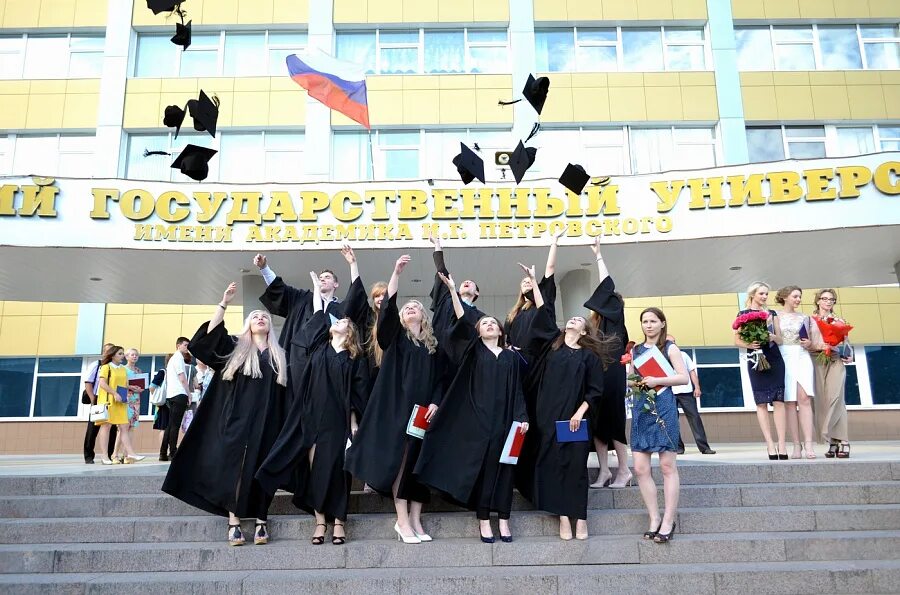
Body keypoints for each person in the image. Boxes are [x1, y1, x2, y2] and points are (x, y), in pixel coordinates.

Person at [162, 282, 289, 546]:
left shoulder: (280, 355)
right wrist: (224, 303)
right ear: (248, 326)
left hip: (268, 421)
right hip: (236, 419)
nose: (261, 317)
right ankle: (234, 519)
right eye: (255, 316)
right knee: (237, 467)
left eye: (264, 315)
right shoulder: (235, 347)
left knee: (263, 466)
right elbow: (207, 340)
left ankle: (261, 518)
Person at [415, 270, 528, 544]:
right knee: (488, 472)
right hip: (481, 423)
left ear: (501, 331)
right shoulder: (474, 352)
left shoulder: (511, 359)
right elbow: (464, 320)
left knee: (506, 471)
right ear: (478, 331)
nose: (489, 324)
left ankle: (504, 519)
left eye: (493, 323)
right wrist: (454, 291)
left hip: (508, 424)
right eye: (484, 323)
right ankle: (484, 520)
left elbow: (517, 391)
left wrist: (522, 417)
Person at [257, 271, 369, 546]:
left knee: (339, 470)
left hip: (338, 419)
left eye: (343, 320)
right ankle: (320, 522)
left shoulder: (354, 358)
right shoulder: (318, 349)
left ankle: (340, 522)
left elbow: (357, 393)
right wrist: (315, 290)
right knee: (317, 470)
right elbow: (319, 316)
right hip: (311, 418)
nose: (338, 321)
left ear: (350, 331)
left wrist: (353, 424)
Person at [344, 255, 441, 545]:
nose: (411, 308)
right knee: (400, 463)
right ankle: (401, 520)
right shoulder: (396, 337)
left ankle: (415, 518)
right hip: (398, 410)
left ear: (424, 317)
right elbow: (386, 311)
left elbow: (441, 380)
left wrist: (436, 401)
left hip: (423, 413)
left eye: (417, 307)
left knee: (418, 464)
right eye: (407, 307)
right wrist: (395, 274)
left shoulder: (433, 348)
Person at [514, 264, 609, 541]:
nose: (573, 321)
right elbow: (544, 314)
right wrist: (534, 280)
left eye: (579, 321)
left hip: (576, 420)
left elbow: (594, 392)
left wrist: (579, 414)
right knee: (554, 467)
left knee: (576, 469)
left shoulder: (589, 358)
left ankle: (581, 519)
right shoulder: (551, 346)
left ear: (584, 331)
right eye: (571, 320)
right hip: (547, 418)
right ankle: (564, 519)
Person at [628, 308, 689, 544]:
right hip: (643, 407)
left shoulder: (669, 348)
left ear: (662, 324)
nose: (649, 325)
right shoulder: (636, 351)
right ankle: (654, 518)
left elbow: (682, 377)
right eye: (645, 321)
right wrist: (632, 382)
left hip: (664, 406)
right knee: (641, 468)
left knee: (666, 466)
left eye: (653, 321)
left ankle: (668, 520)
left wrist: (658, 380)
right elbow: (632, 379)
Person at [583, 239, 632, 489]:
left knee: (613, 422)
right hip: (596, 376)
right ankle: (604, 472)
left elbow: (606, 285)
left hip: (612, 376)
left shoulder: (615, 321)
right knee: (597, 424)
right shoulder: (593, 327)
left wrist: (599, 257)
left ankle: (623, 471)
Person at [734, 282, 787, 460]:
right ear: (753, 294)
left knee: (779, 401)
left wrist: (772, 336)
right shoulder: (742, 315)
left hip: (774, 358)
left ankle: (781, 443)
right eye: (761, 293)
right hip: (755, 359)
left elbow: (781, 339)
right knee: (761, 402)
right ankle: (770, 444)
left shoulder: (772, 314)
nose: (764, 297)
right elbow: (737, 341)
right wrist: (750, 344)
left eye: (766, 294)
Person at [810, 288, 852, 459]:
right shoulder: (809, 320)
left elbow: (846, 343)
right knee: (823, 401)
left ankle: (844, 440)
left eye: (832, 299)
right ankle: (833, 442)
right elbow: (804, 343)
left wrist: (849, 355)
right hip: (816, 361)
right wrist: (820, 346)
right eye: (825, 298)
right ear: (818, 301)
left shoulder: (839, 320)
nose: (828, 302)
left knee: (837, 398)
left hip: (835, 360)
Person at [775, 286, 816, 459]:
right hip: (784, 356)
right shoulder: (774, 316)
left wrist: (809, 344)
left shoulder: (805, 317)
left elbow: (812, 340)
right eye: (795, 296)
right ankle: (796, 445)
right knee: (789, 402)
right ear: (785, 297)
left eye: (800, 297)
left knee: (804, 398)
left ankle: (809, 444)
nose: (798, 299)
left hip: (802, 356)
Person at [503, 230, 560, 349]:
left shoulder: (544, 298)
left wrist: (554, 241)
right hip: (519, 357)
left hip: (540, 354)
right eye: (524, 282)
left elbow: (550, 268)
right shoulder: (513, 313)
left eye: (530, 281)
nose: (527, 282)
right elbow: (507, 338)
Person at [95, 345, 145, 465]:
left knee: (124, 427)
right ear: (112, 355)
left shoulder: (122, 369)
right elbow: (102, 383)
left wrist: (132, 387)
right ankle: (105, 456)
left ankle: (130, 453)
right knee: (106, 427)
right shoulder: (106, 367)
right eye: (120, 354)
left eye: (122, 353)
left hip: (121, 401)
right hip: (108, 401)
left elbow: (124, 384)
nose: (122, 356)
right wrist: (114, 393)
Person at [667, 336, 716, 455]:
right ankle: (678, 447)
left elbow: (692, 371)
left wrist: (697, 387)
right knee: (671, 421)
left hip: (686, 392)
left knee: (695, 419)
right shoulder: (661, 356)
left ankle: (704, 447)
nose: (672, 344)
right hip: (669, 392)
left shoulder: (683, 355)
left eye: (673, 342)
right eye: (668, 342)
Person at [82, 343, 116, 464]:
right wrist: (93, 399)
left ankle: (109, 455)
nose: (109, 354)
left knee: (112, 429)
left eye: (112, 351)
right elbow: (88, 382)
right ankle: (88, 455)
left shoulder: (114, 366)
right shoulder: (97, 365)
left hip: (111, 400)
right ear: (103, 353)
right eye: (107, 351)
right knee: (93, 428)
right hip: (97, 399)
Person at [111, 348, 144, 464]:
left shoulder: (139, 370)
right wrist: (130, 387)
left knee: (131, 428)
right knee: (122, 429)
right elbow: (118, 384)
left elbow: (142, 384)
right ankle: (115, 454)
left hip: (136, 401)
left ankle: (127, 455)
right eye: (132, 355)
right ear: (126, 356)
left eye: (136, 355)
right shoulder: (122, 369)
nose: (134, 357)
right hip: (125, 400)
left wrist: (140, 388)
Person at [161, 337, 192, 461]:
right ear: (178, 345)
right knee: (175, 425)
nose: (186, 347)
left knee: (170, 425)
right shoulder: (178, 358)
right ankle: (173, 451)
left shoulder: (173, 359)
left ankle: (163, 452)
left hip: (172, 395)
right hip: (179, 394)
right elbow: (182, 378)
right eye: (185, 345)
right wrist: (188, 393)